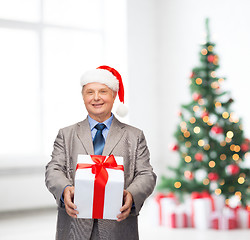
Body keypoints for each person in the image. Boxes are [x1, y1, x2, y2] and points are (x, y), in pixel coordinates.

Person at [45, 65, 156, 240]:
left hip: (118, 226)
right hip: (75, 227)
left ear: (114, 96)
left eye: (103, 91)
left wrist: (132, 195)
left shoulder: (135, 136)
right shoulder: (66, 134)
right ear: (83, 97)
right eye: (90, 92)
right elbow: (53, 169)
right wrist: (65, 189)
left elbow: (146, 174)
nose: (96, 98)